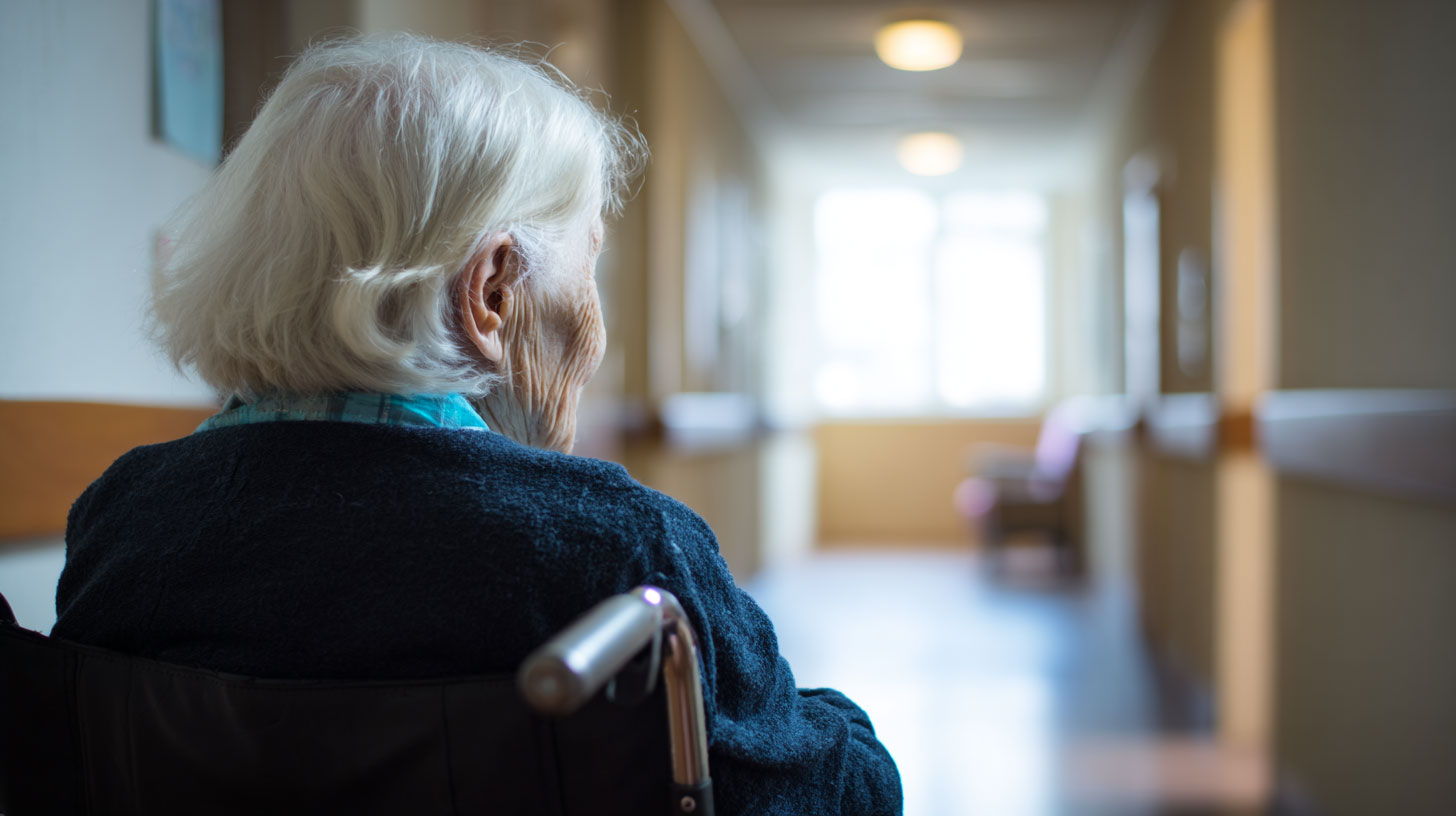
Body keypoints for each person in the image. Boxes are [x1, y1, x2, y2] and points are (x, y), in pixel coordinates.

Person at [53, 35, 902, 815]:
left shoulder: (122, 521)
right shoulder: (624, 555)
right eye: (590, 268)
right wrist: (830, 717)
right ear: (494, 293)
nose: (597, 327)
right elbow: (846, 795)